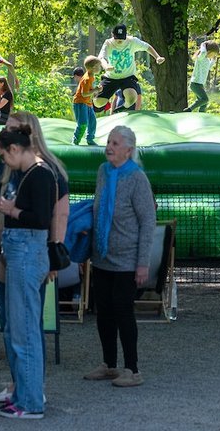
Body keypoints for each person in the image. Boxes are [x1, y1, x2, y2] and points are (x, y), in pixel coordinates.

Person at [0, 111, 69, 407]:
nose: (6, 134)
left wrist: (53, 254)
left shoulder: (46, 171)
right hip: (5, 250)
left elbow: (55, 216)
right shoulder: (12, 168)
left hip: (28, 251)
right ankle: (19, 386)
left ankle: (31, 391)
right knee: (10, 323)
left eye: (12, 130)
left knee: (26, 325)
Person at [0, 125, 55, 419]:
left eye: (4, 154)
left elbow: (40, 219)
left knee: (25, 331)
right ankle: (22, 396)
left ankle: (30, 403)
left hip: (28, 254)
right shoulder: (27, 174)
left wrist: (9, 210)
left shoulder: (40, 174)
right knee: (19, 328)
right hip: (20, 254)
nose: (4, 161)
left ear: (15, 149)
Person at [84, 125, 156, 388]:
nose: (109, 147)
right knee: (103, 312)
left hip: (127, 259)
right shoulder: (103, 171)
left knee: (123, 311)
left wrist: (142, 263)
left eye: (115, 143)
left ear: (129, 150)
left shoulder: (137, 178)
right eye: (109, 142)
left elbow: (148, 221)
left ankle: (133, 369)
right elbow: (97, 207)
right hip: (103, 255)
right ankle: (110, 365)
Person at [93, 24, 165, 113]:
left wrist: (157, 57)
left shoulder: (132, 41)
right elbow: (101, 58)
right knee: (98, 103)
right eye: (117, 38)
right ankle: (99, 102)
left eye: (122, 38)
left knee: (131, 98)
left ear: (126, 35)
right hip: (111, 77)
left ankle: (124, 107)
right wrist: (106, 66)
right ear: (112, 35)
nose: (119, 40)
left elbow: (147, 47)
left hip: (128, 77)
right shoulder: (108, 43)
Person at [185, 40, 220, 113]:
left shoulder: (207, 60)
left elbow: (209, 67)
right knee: (205, 99)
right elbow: (203, 52)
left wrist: (213, 60)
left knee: (203, 103)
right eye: (213, 54)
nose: (213, 56)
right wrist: (203, 45)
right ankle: (189, 109)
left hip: (200, 84)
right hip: (195, 84)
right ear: (209, 51)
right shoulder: (201, 57)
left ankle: (201, 115)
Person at [72, 57, 100, 145]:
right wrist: (95, 90)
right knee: (83, 123)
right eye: (98, 66)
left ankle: (90, 139)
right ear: (93, 68)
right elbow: (84, 94)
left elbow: (89, 90)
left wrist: (96, 90)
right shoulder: (87, 79)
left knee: (92, 121)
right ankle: (76, 140)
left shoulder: (92, 76)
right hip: (80, 103)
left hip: (88, 103)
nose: (100, 68)